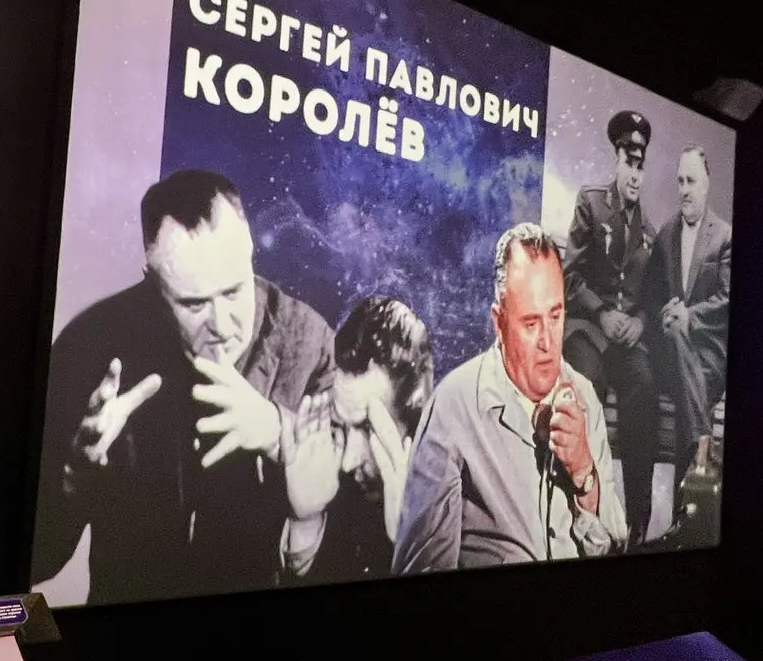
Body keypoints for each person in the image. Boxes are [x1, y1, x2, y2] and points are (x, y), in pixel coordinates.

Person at [32, 169, 333, 603]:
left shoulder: (313, 345)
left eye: (234, 291)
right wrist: (73, 473)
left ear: (250, 254)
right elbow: (37, 562)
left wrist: (277, 435)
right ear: (153, 282)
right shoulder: (89, 346)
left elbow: (354, 562)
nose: (223, 325)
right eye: (194, 304)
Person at [404, 223, 627, 568]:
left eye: (555, 316)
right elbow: (424, 569)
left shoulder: (584, 395)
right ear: (499, 322)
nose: (548, 342)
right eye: (531, 323)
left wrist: (585, 472)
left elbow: (614, 550)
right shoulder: (453, 405)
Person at [280, 296, 435, 584]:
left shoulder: (464, 506)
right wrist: (306, 520)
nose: (348, 463)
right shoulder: (334, 490)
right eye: (340, 425)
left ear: (417, 422)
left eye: (367, 429)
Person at [563, 110, 659, 544]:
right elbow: (569, 276)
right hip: (589, 331)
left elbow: (651, 298)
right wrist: (602, 313)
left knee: (644, 389)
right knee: (588, 382)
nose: (635, 174)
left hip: (626, 342)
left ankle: (637, 523)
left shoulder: (650, 232)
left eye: (641, 165)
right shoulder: (592, 203)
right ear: (616, 160)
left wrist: (639, 321)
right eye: (628, 162)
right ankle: (582, 513)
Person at [642, 146, 730, 470]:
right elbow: (650, 294)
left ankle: (684, 495)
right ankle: (703, 444)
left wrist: (688, 315)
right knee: (675, 332)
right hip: (669, 351)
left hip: (707, 353)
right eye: (680, 181)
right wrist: (666, 312)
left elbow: (727, 298)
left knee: (692, 388)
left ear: (705, 184)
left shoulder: (724, 236)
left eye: (691, 181)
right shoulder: (666, 234)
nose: (684, 190)